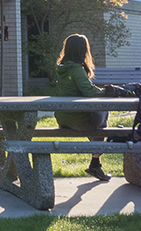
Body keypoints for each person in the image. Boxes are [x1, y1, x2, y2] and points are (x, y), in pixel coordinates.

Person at [49, 33, 129, 181]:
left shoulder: (60, 69)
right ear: (81, 50)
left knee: (95, 117)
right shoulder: (76, 69)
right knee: (103, 110)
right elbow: (89, 91)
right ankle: (95, 161)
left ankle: (96, 159)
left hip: (62, 118)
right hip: (78, 120)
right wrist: (108, 91)